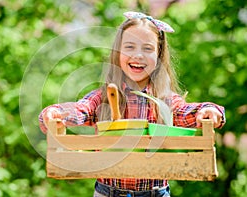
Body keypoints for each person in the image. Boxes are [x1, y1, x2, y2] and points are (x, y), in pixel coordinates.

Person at [39, 11, 225, 197]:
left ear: (159, 55)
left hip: (155, 193)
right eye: (129, 47)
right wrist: (57, 112)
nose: (138, 55)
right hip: (107, 192)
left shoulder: (164, 101)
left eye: (147, 48)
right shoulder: (104, 97)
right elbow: (81, 109)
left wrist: (207, 110)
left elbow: (185, 111)